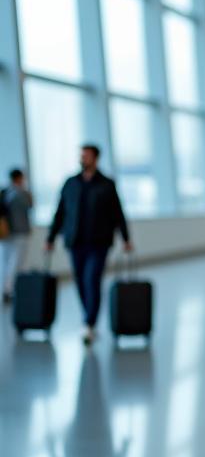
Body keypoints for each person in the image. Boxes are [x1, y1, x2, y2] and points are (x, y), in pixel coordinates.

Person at [46, 144, 132, 345]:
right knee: (80, 282)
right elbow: (60, 212)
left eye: (86, 156)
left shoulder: (107, 184)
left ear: (96, 158)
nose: (83, 158)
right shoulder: (71, 183)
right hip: (75, 242)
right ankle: (89, 316)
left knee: (92, 279)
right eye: (81, 155)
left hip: (99, 242)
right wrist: (50, 238)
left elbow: (118, 213)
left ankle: (89, 323)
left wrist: (126, 238)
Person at [1, 168, 33, 304]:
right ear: (20, 178)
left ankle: (7, 289)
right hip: (18, 232)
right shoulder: (20, 193)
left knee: (7, 262)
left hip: (5, 232)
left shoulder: (4, 192)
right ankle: (11, 290)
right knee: (16, 263)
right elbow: (30, 204)